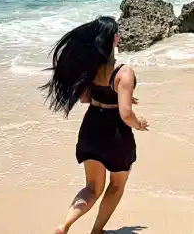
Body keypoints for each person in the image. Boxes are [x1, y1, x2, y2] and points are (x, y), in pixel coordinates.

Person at [41, 16, 149, 234]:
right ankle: (96, 231)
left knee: (92, 188)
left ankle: (64, 225)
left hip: (91, 127)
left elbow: (85, 98)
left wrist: (120, 96)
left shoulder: (90, 67)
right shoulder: (124, 72)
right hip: (115, 133)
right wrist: (139, 124)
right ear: (114, 39)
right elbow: (126, 114)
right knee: (117, 185)